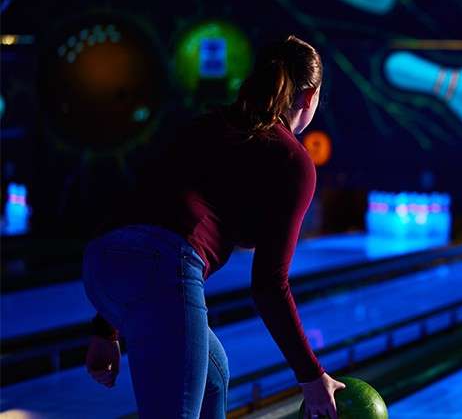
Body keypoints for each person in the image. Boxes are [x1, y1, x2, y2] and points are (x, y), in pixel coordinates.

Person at [81, 35, 345, 419]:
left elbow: (142, 207)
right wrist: (311, 375)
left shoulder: (209, 122)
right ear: (309, 96)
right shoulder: (294, 160)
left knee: (213, 376)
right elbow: (270, 285)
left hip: (102, 263)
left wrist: (106, 328)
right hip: (164, 268)